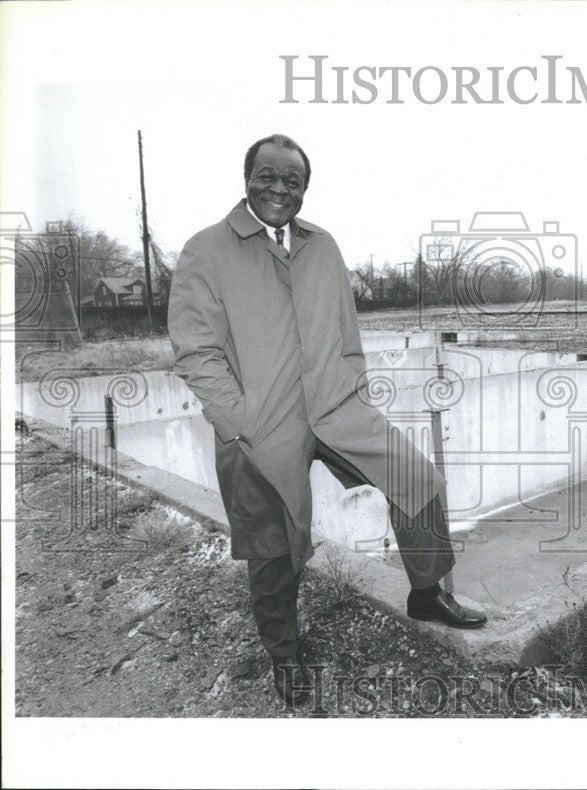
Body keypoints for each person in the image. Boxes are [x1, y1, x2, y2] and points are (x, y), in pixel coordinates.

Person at [167, 133, 486, 707]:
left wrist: (354, 389)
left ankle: (425, 592)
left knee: (418, 479)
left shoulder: (323, 246)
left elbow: (345, 330)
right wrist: (236, 420)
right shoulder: (206, 250)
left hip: (337, 408)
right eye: (268, 175)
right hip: (259, 423)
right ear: (247, 180)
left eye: (292, 180)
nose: (279, 189)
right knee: (273, 544)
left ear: (304, 189)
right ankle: (284, 656)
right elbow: (196, 349)